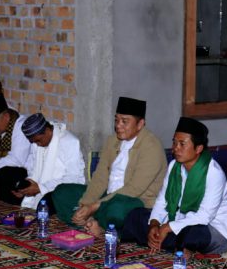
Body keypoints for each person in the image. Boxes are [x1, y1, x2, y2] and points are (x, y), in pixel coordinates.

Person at [122, 117, 227, 255]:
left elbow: (204, 216)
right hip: (179, 221)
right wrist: (154, 224)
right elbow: (162, 201)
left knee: (193, 233)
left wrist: (167, 228)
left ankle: (179, 244)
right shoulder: (174, 166)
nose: (175, 148)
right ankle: (176, 245)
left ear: (198, 148)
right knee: (136, 215)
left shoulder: (214, 174)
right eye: (174, 142)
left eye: (182, 144)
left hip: (213, 228)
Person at [53, 97, 167, 237]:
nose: (118, 125)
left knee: (116, 209)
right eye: (116, 120)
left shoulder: (152, 146)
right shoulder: (112, 141)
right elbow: (100, 177)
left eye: (124, 121)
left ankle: (102, 228)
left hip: (135, 201)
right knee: (61, 192)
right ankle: (90, 222)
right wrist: (85, 204)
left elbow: (134, 189)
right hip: (107, 197)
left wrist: (95, 206)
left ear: (140, 124)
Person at [8, 113, 86, 211]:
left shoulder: (70, 142)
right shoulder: (36, 143)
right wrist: (27, 188)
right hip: (40, 187)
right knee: (8, 188)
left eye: (38, 140)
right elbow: (32, 168)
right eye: (34, 142)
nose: (37, 144)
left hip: (63, 191)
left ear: (47, 131)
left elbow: (73, 178)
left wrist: (40, 188)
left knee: (45, 204)